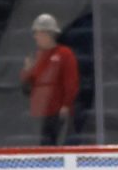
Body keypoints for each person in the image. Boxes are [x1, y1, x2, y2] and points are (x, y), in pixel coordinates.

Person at [21, 14, 80, 145]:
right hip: (39, 115)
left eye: (37, 33)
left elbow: (71, 82)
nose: (35, 37)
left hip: (57, 114)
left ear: (47, 34)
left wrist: (66, 105)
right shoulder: (36, 56)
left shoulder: (65, 54)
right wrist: (27, 71)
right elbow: (26, 89)